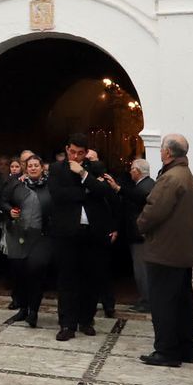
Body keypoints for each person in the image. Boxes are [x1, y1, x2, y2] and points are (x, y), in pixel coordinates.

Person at [137, 134, 193, 368]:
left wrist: (140, 225)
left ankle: (166, 350)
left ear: (168, 153)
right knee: (182, 302)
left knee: (164, 302)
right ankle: (186, 348)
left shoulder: (171, 178)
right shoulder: (186, 174)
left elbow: (153, 210)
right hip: (181, 250)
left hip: (165, 251)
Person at [48, 135, 118, 338]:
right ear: (67, 149)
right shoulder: (56, 169)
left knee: (91, 278)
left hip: (93, 232)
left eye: (80, 153)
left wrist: (84, 176)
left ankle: (86, 320)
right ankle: (67, 324)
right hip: (67, 233)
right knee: (67, 279)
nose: (75, 156)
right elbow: (58, 194)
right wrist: (86, 191)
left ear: (86, 152)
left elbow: (105, 191)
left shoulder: (94, 168)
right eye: (72, 152)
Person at [2, 155, 52, 327]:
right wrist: (10, 211)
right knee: (20, 272)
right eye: (29, 166)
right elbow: (2, 201)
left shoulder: (50, 186)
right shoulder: (17, 184)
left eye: (36, 165)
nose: (32, 168)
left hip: (42, 235)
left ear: (42, 167)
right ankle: (23, 308)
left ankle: (34, 311)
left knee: (36, 269)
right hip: (19, 234)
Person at [120, 158, 156, 313]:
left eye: (132, 169)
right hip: (138, 235)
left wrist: (118, 189)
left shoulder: (145, 186)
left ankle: (147, 300)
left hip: (140, 236)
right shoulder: (145, 185)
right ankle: (145, 298)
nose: (130, 172)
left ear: (138, 171)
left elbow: (136, 199)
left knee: (142, 270)